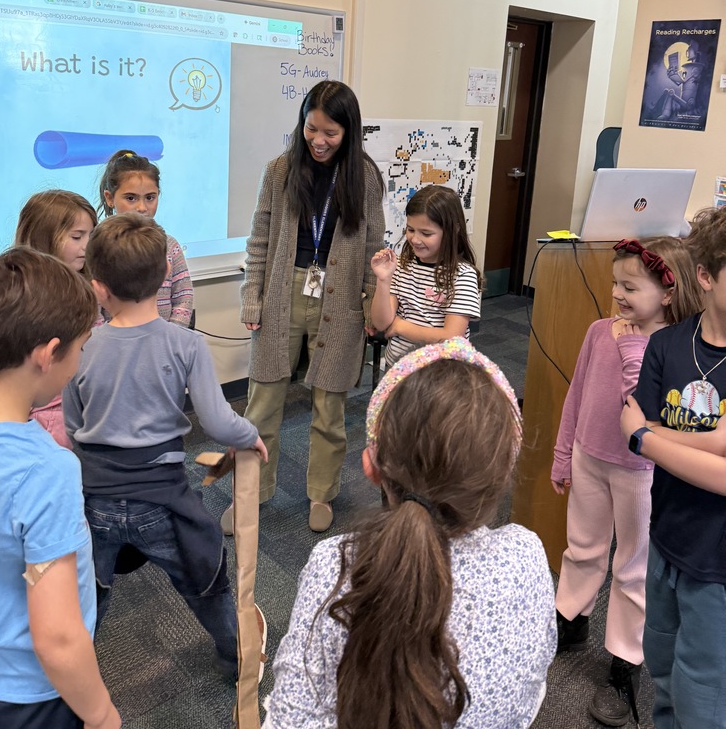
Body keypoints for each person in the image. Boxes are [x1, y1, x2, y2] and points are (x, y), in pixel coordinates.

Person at [264, 338, 555, 729]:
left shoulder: (336, 567)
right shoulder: (527, 555)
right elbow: (533, 684)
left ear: (371, 467)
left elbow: (290, 720)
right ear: (502, 475)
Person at [62, 213, 267, 680]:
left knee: (88, 594)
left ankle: (68, 675)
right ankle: (238, 655)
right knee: (202, 582)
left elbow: (74, 430)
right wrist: (250, 436)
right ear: (164, 278)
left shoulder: (83, 346)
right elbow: (217, 420)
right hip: (162, 499)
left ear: (98, 288)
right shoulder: (187, 343)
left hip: (95, 501)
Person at [0, 247, 121, 729]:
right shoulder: (47, 471)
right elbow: (57, 637)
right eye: (81, 347)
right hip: (29, 699)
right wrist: (101, 714)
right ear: (47, 355)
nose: (80, 360)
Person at [551, 236, 702, 727]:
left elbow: (637, 404)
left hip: (641, 471)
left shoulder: (673, 347)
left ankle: (624, 660)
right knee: (583, 546)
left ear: (667, 293)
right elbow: (577, 392)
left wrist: (635, 342)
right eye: (615, 283)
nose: (617, 294)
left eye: (630, 286)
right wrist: (562, 454)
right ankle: (570, 618)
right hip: (589, 457)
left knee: (633, 566)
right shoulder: (599, 331)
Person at [226, 80, 385, 534]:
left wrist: (372, 305)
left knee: (329, 409)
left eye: (330, 133)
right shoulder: (280, 171)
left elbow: (373, 246)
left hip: (340, 301)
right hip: (282, 293)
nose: (318, 140)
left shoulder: (365, 177)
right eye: (311, 128)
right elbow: (259, 240)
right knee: (261, 406)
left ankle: (322, 493)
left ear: (348, 132)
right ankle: (251, 493)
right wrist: (251, 295)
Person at [630, 208, 726, 729]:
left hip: (718, 564)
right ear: (706, 278)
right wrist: (710, 442)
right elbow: (633, 421)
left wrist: (649, 438)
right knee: (663, 668)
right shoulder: (667, 344)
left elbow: (637, 429)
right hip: (666, 537)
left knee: (703, 692)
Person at [15, 189, 99, 448]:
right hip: (43, 417)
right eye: (77, 236)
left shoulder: (89, 287)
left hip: (83, 407)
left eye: (90, 236)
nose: (87, 246)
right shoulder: (24, 296)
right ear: (44, 237)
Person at [370, 184, 481, 368]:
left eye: (426, 233)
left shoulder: (462, 275)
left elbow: (451, 338)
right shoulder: (403, 266)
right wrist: (383, 280)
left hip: (439, 374)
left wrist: (399, 326)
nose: (415, 239)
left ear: (453, 230)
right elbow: (381, 323)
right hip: (398, 368)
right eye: (411, 230)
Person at [97, 150, 194, 326]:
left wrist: (170, 337)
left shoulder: (170, 246)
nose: (142, 207)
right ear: (110, 198)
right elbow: (93, 309)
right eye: (131, 198)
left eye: (150, 197)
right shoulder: (100, 247)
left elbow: (183, 296)